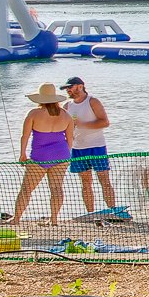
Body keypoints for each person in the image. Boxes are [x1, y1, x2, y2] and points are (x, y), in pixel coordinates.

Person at [11, 82, 76, 224]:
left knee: (26, 189)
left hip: (40, 156)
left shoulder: (34, 113)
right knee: (57, 187)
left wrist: (22, 154)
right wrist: (67, 156)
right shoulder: (66, 116)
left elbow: (25, 136)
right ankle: (54, 219)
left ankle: (16, 219)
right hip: (62, 154)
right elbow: (70, 139)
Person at [60, 75, 121, 216]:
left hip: (96, 146)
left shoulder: (93, 101)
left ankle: (114, 211)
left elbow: (105, 122)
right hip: (77, 148)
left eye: (70, 87)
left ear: (80, 86)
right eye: (66, 88)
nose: (68, 90)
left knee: (104, 180)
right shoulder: (67, 106)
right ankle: (91, 213)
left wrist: (82, 125)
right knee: (85, 183)